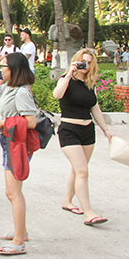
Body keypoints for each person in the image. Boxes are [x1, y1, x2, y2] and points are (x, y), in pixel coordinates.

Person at [0, 52, 36, 255]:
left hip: (17, 143)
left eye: (5, 66)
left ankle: (19, 241)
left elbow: (30, 121)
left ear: (14, 69)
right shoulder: (8, 88)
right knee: (13, 192)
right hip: (8, 141)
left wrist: (3, 123)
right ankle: (22, 232)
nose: (2, 69)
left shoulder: (22, 92)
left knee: (13, 192)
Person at [53, 49, 112, 226]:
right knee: (83, 171)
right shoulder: (66, 80)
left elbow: (95, 108)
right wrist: (69, 74)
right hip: (69, 130)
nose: (85, 66)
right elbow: (57, 94)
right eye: (82, 61)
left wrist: (106, 130)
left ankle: (67, 201)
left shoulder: (89, 84)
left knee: (77, 169)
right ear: (76, 61)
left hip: (87, 131)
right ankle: (89, 213)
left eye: (89, 62)